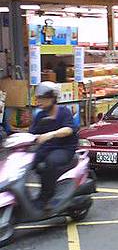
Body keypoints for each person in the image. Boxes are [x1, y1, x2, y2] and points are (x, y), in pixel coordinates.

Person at [29, 81, 78, 211]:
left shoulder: (64, 112)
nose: (39, 101)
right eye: (38, 98)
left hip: (64, 149)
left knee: (49, 162)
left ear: (52, 99)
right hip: (47, 148)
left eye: (42, 99)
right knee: (27, 164)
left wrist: (51, 134)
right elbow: (32, 133)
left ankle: (45, 199)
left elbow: (69, 129)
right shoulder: (40, 115)